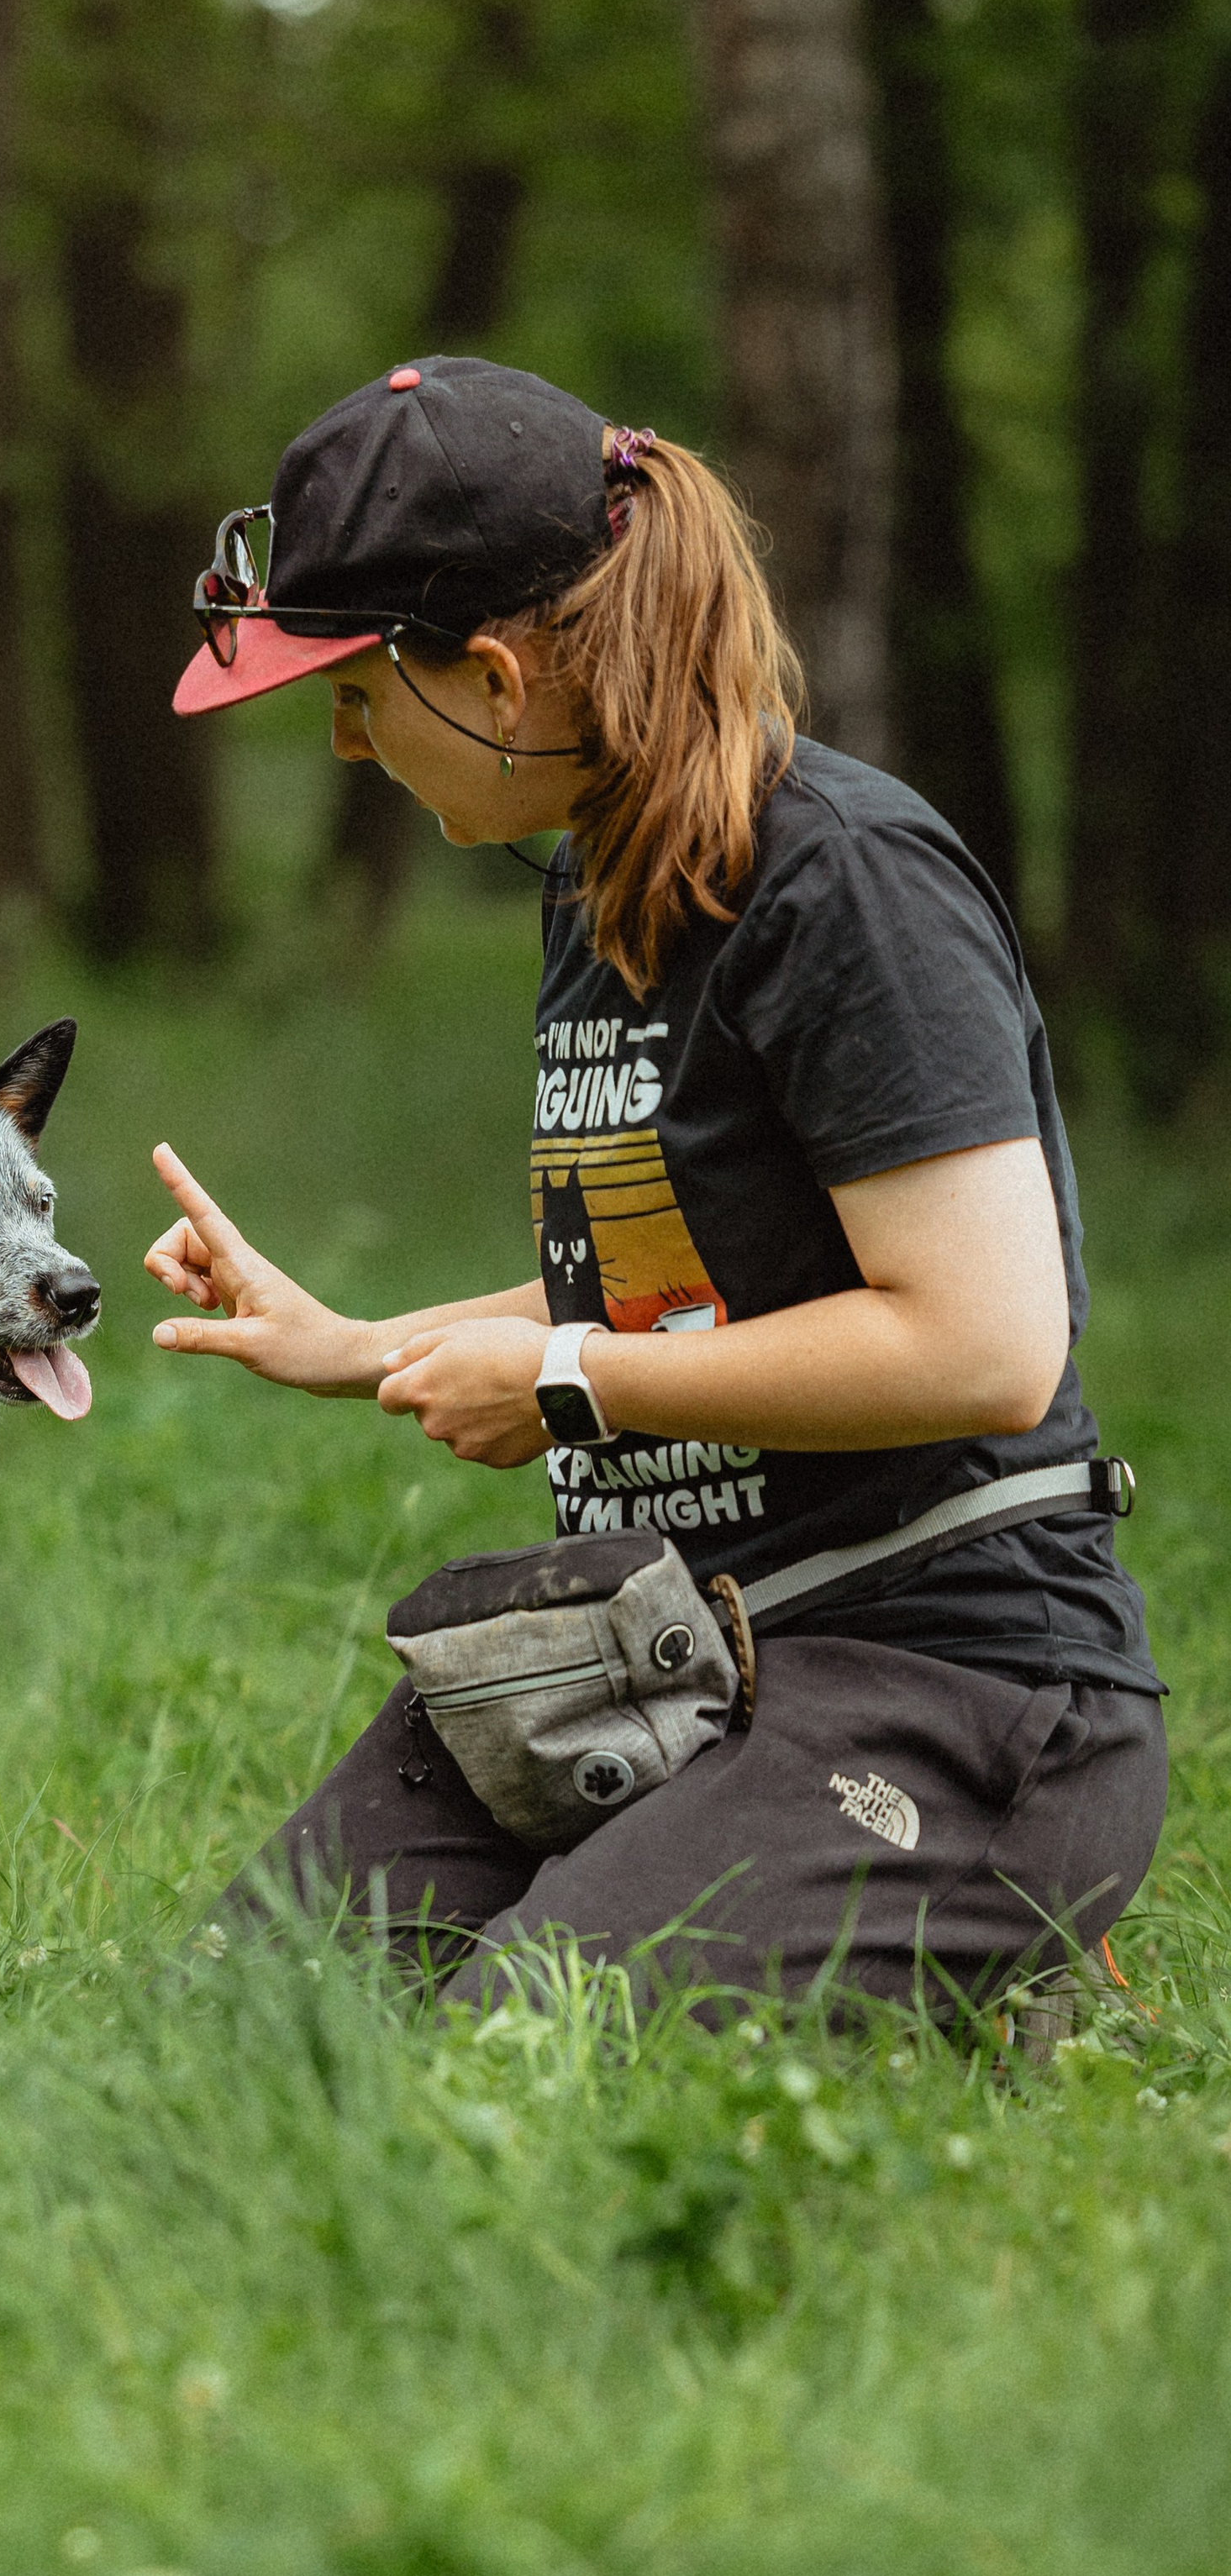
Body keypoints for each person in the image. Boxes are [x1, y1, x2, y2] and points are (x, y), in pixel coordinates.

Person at [145, 355, 1164, 2015]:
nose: (337, 746)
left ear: (488, 672)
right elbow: (682, 1274)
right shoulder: (600, 882)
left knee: (518, 2061)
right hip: (652, 1652)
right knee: (235, 2033)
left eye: (348, 692)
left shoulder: (841, 882)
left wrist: (561, 1384)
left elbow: (984, 1346)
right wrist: (360, 1339)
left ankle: (988, 1953)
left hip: (951, 1680)